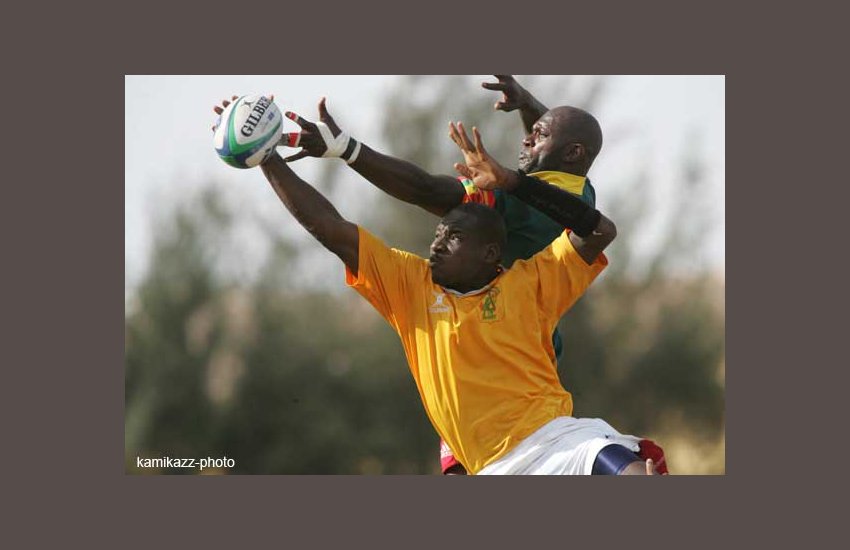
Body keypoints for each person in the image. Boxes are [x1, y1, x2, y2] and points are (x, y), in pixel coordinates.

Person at [212, 76, 667, 474]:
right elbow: (331, 229)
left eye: (538, 134)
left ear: (489, 251)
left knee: (602, 454)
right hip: (489, 407)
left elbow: (426, 189)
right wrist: (529, 108)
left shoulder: (525, 229)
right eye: (440, 234)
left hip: (525, 379)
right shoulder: (571, 190)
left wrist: (346, 149)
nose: (436, 243)